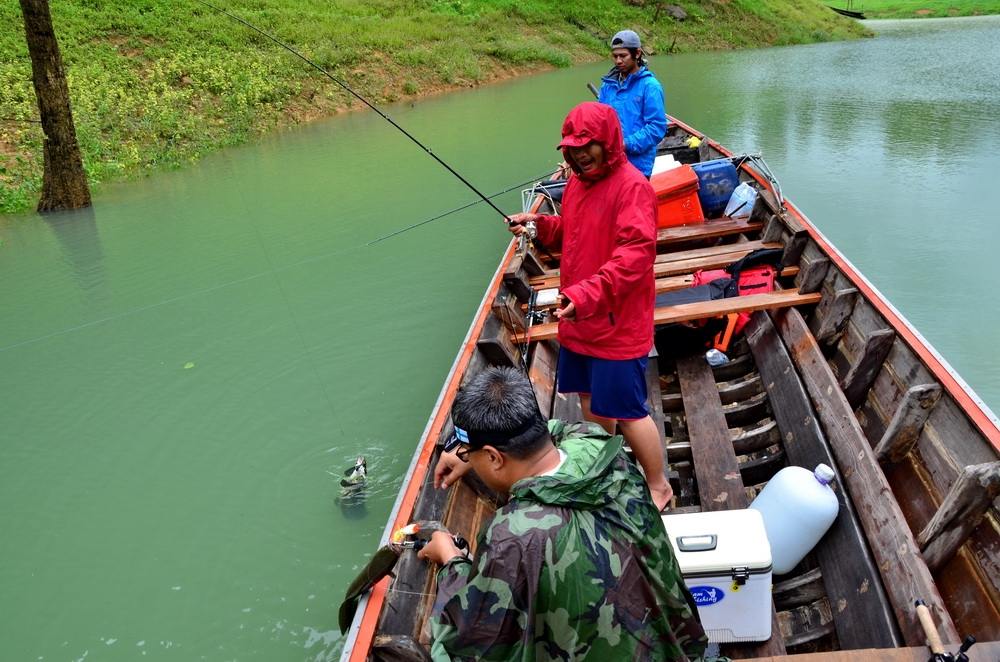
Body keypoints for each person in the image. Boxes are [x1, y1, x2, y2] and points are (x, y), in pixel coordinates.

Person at [421, 366, 707, 661]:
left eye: (468, 453)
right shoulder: (603, 450)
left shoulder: (511, 535)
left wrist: (451, 562)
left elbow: (476, 645)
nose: (466, 458)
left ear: (494, 458)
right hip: (680, 650)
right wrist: (473, 453)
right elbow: (561, 429)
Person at [507, 101, 674, 512]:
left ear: (609, 143)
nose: (580, 154)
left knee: (629, 411)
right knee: (589, 401)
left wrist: (585, 296)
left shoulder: (632, 187)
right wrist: (540, 225)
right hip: (579, 314)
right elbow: (573, 232)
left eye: (589, 145)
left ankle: (659, 485)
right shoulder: (579, 183)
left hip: (615, 319)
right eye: (572, 147)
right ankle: (605, 465)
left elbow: (636, 255)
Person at [598, 29, 667, 178]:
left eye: (623, 56)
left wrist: (625, 144)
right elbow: (599, 121)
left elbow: (657, 127)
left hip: (637, 167)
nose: (618, 61)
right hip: (610, 164)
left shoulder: (650, 86)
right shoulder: (607, 86)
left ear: (637, 54)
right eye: (615, 56)